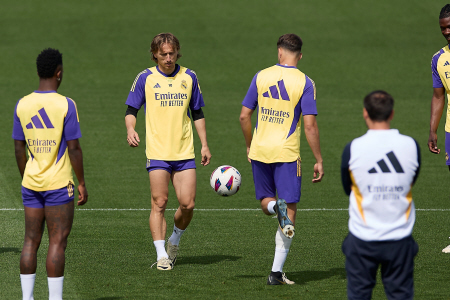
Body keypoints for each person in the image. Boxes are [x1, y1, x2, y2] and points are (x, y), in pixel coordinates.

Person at [240, 33, 324, 285]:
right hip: (286, 153)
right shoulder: (305, 82)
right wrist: (318, 158)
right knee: (291, 208)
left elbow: (244, 116)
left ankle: (276, 208)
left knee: (267, 203)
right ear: (299, 55)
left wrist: (249, 145)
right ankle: (276, 272)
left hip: (260, 150)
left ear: (279, 52)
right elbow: (309, 126)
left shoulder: (260, 76)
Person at [125, 33, 211, 271]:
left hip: (184, 152)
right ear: (155, 54)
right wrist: (130, 128)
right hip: (158, 151)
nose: (168, 58)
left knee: (188, 204)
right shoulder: (145, 78)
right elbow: (131, 109)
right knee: (159, 202)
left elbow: (198, 113)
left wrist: (204, 144)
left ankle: (174, 241)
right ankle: (162, 254)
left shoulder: (189, 77)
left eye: (172, 53)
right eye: (163, 54)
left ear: (177, 52)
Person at [12, 48, 88, 300]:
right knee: (57, 241)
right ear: (59, 72)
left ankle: (27, 298)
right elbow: (74, 149)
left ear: (38, 72)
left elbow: (18, 147)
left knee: (30, 240)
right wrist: (82, 183)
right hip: (58, 185)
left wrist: (27, 176)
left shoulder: (22, 104)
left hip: (31, 183)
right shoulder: (66, 104)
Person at [341, 91, 420, 300]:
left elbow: (348, 188)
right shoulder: (411, 146)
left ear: (365, 113)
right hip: (400, 240)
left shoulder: (353, 148)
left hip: (362, 239)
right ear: (392, 113)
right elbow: (411, 181)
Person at [429, 4, 450, 254]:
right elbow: (438, 96)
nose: (446, 32)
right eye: (443, 28)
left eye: (449, 27)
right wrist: (433, 130)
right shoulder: (439, 59)